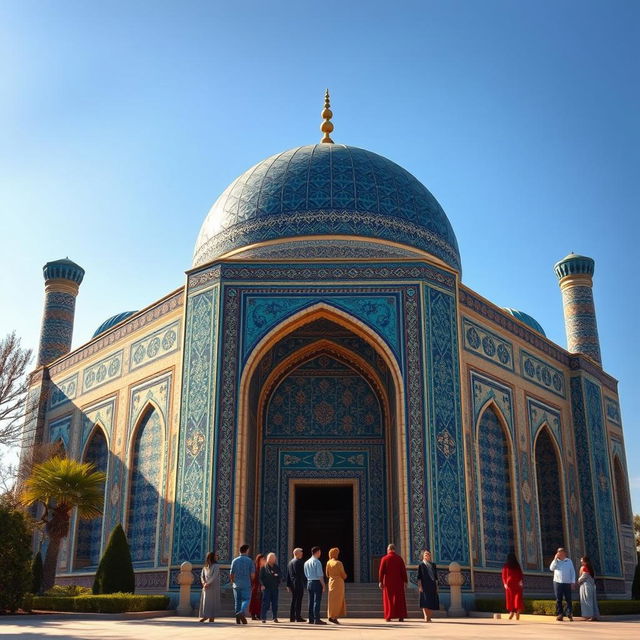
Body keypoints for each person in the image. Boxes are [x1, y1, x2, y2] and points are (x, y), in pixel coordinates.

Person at [378, 543, 408, 622]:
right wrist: (405, 581)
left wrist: (380, 581)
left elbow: (381, 571)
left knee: (389, 599)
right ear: (394, 550)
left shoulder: (384, 559)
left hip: (388, 582)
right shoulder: (399, 559)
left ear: (388, 550)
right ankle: (401, 616)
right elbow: (403, 571)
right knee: (399, 599)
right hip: (399, 582)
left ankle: (389, 616)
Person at [230, 544, 255, 624]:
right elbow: (252, 574)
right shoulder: (249, 561)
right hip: (246, 584)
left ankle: (238, 619)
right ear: (247, 550)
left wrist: (233, 582)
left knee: (237, 601)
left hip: (236, 584)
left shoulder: (234, 560)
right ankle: (241, 612)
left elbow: (231, 573)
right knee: (246, 599)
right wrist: (251, 581)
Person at [549, 547, 576, 621]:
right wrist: (555, 559)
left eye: (561, 552)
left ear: (565, 553)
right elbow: (551, 568)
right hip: (557, 582)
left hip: (567, 582)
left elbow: (572, 572)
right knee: (558, 599)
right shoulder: (556, 561)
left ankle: (569, 613)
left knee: (568, 599)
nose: (560, 554)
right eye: (559, 552)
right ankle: (560, 614)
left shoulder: (569, 561)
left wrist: (573, 582)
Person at [304, 546, 327, 625]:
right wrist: (323, 585)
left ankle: (310, 619)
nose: (320, 553)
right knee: (316, 601)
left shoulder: (306, 562)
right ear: (317, 552)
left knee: (310, 601)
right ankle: (316, 619)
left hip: (309, 582)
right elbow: (320, 575)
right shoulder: (317, 562)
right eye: (320, 552)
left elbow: (305, 574)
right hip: (317, 582)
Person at [326, 547, 347, 624]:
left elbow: (327, 574)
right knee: (338, 600)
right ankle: (334, 616)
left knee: (331, 600)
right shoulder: (339, 563)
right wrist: (345, 576)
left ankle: (330, 615)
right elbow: (343, 574)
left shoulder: (328, 563)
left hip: (331, 582)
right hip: (338, 583)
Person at [260, 552, 282, 623]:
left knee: (275, 603)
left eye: (273, 558)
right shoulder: (264, 567)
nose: (272, 560)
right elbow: (260, 578)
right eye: (270, 558)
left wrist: (278, 579)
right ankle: (263, 617)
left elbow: (280, 576)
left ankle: (275, 617)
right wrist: (262, 585)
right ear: (267, 559)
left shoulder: (276, 567)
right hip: (266, 588)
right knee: (265, 603)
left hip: (274, 588)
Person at [417, 549, 439, 622]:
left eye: (428, 554)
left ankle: (429, 617)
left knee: (431, 601)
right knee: (425, 601)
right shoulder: (421, 565)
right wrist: (420, 586)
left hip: (432, 585)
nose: (427, 556)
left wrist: (436, 586)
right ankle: (426, 616)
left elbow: (435, 577)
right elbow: (419, 577)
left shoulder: (433, 565)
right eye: (426, 554)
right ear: (423, 556)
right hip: (424, 585)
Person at [198, 551, 220, 623]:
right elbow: (202, 576)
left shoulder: (216, 566)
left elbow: (214, 576)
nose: (217, 557)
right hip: (206, 586)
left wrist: (208, 583)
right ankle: (205, 616)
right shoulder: (205, 567)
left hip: (213, 586)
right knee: (205, 602)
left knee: (213, 601)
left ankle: (212, 617)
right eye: (216, 555)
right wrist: (204, 583)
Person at [501, 552, 523, 621]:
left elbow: (503, 576)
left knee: (510, 598)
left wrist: (504, 583)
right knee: (517, 598)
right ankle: (517, 611)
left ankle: (511, 612)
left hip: (509, 584)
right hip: (517, 583)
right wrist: (521, 581)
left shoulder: (506, 565)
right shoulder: (517, 565)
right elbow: (520, 574)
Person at [287, 547, 307, 622]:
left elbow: (288, 575)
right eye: (300, 552)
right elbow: (301, 574)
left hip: (292, 584)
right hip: (298, 583)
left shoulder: (290, 562)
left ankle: (292, 617)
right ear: (296, 553)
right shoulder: (299, 562)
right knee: (298, 600)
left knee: (294, 600)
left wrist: (288, 585)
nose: (302, 553)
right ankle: (298, 617)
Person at [578, 556, 599, 621]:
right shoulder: (590, 568)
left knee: (587, 601)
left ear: (585, 561)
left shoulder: (585, 568)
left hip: (586, 586)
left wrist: (578, 580)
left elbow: (583, 577)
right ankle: (594, 615)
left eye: (582, 561)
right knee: (592, 601)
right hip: (591, 586)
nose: (581, 562)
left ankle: (590, 615)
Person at [249, 554, 265, 620]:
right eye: (262, 559)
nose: (263, 560)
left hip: (260, 587)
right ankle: (253, 614)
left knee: (260, 601)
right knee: (255, 601)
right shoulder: (255, 568)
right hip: (256, 587)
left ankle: (258, 614)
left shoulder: (263, 568)